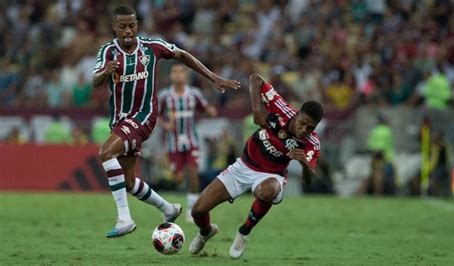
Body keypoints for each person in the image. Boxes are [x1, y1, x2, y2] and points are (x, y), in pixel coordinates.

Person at [92, 5, 240, 238]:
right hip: (120, 119)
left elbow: (182, 54)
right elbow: (95, 81)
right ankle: (168, 209)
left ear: (137, 25)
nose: (128, 30)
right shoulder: (108, 52)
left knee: (105, 153)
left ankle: (124, 219)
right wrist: (105, 72)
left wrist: (213, 77)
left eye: (132, 25)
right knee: (129, 183)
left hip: (144, 115)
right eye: (122, 26)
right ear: (114, 27)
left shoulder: (152, 47)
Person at [189, 73, 323, 259]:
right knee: (197, 210)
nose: (304, 130)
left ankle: (244, 232)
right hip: (243, 166)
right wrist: (257, 110)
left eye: (311, 128)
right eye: (303, 124)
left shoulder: (311, 143)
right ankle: (205, 232)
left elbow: (309, 180)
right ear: (297, 114)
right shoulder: (280, 108)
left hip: (271, 174)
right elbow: (255, 79)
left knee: (269, 191)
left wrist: (304, 163)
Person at [158, 63, 218, 222]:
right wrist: (165, 124)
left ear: (185, 76)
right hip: (173, 143)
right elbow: (156, 115)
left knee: (193, 173)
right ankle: (167, 207)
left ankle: (192, 210)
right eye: (174, 72)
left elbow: (205, 108)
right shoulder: (164, 96)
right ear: (171, 75)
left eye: (180, 72)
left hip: (192, 140)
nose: (177, 75)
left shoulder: (194, 94)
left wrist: (210, 111)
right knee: (177, 177)